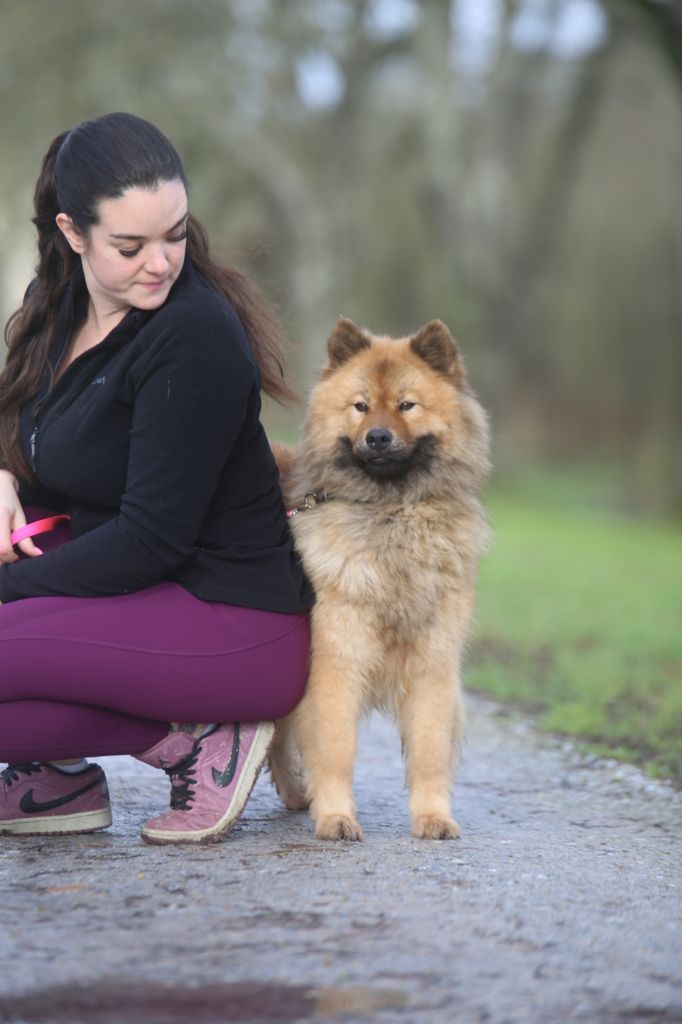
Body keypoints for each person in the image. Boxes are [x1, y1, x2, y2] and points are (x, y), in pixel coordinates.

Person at [0, 112, 312, 844]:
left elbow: (151, 539)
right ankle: (61, 778)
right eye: (130, 245)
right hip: (136, 601)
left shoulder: (193, 335)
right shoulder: (62, 311)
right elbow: (35, 437)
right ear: (73, 234)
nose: (162, 263)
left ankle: (206, 737)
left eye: (174, 235)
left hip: (231, 623)